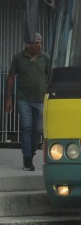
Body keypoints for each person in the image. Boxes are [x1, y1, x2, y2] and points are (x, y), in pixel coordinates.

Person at [3, 33, 50, 171]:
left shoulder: (45, 58)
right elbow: (11, 78)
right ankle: (27, 159)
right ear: (29, 44)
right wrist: (8, 98)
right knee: (26, 127)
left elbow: (50, 76)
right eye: (36, 43)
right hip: (24, 99)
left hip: (40, 99)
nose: (39, 45)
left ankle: (32, 150)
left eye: (40, 42)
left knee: (38, 129)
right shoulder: (18, 58)